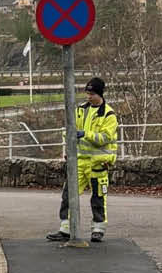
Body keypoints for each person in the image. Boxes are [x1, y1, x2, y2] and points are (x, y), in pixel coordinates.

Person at [47, 77, 118, 243]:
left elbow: (105, 138)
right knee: (69, 195)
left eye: (92, 93)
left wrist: (85, 134)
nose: (89, 96)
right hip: (79, 161)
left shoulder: (108, 114)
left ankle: (98, 229)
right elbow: (70, 129)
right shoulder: (81, 110)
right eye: (87, 93)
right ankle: (66, 229)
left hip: (98, 163)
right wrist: (69, 144)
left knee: (98, 197)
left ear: (99, 94)